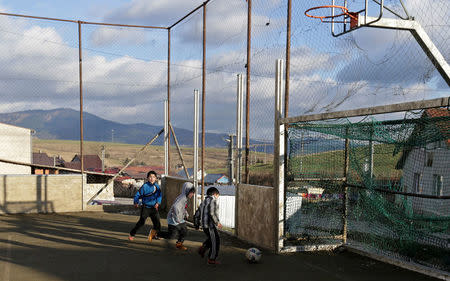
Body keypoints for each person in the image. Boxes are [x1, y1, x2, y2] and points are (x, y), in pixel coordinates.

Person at [128, 170, 162, 242]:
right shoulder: (145, 186)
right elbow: (138, 195)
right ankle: (132, 234)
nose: (152, 178)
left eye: (153, 177)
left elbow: (159, 196)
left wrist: (158, 203)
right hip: (145, 207)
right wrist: (136, 202)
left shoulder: (157, 187)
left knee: (157, 223)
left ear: (156, 178)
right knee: (141, 222)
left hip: (154, 208)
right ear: (147, 178)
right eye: (150, 177)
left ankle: (156, 235)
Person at [163, 182, 196, 250]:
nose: (192, 194)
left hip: (179, 218)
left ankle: (179, 244)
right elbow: (175, 207)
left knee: (184, 231)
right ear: (186, 191)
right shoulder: (182, 198)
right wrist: (177, 218)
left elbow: (182, 207)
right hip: (173, 218)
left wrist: (186, 213)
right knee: (172, 235)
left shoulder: (185, 197)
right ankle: (156, 233)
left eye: (193, 192)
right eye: (191, 192)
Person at [195, 186, 222, 265]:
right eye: (217, 196)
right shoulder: (212, 201)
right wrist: (217, 222)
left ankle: (203, 248)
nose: (217, 198)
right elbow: (212, 213)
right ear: (214, 194)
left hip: (204, 226)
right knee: (215, 241)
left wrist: (196, 224)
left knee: (212, 239)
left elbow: (197, 213)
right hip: (210, 226)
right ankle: (212, 259)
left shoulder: (203, 202)